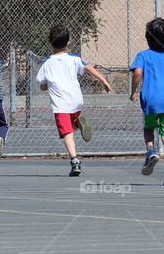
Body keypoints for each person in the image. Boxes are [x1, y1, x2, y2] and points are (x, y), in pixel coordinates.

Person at [36, 24, 111, 177]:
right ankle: (77, 122)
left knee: (67, 133)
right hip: (76, 101)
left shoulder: (46, 63)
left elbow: (42, 85)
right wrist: (103, 80)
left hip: (61, 106)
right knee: (71, 124)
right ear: (68, 43)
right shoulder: (74, 59)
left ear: (50, 42)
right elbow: (88, 67)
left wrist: (48, 86)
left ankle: (74, 160)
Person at [130, 17, 164, 185]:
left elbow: (137, 72)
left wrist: (133, 91)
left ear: (148, 38)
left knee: (148, 128)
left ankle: (151, 151)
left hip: (151, 101)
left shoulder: (143, 55)